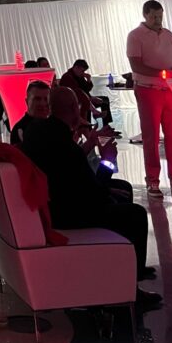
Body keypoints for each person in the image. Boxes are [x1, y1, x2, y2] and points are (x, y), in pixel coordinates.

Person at [22, 87, 160, 310]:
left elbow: (73, 176)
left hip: (54, 203)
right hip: (69, 214)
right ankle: (130, 288)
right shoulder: (64, 144)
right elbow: (92, 195)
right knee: (136, 214)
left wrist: (105, 187)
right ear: (74, 109)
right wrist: (107, 161)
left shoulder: (40, 131)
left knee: (123, 189)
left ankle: (133, 264)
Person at [126, 0, 172, 198]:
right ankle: (153, 181)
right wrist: (162, 73)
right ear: (145, 15)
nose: (158, 20)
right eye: (154, 16)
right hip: (148, 90)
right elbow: (136, 66)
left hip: (169, 89)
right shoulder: (135, 36)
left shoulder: (168, 35)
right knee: (151, 136)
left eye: (160, 16)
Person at [10, 79, 51, 148]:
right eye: (37, 99)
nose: (42, 103)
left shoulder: (55, 126)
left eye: (46, 99)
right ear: (27, 102)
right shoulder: (19, 129)